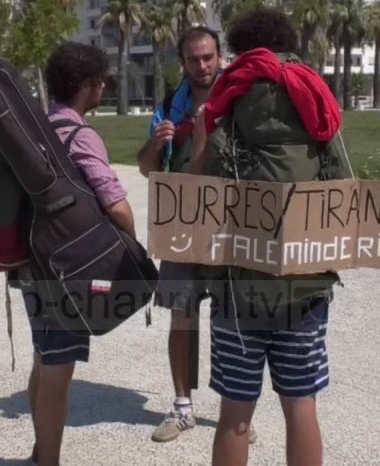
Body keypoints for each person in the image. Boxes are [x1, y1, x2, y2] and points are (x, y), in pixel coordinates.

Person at [186, 7, 343, 466]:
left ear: (240, 49)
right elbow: (344, 191)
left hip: (238, 288)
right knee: (301, 406)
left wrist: (201, 136)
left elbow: (196, 196)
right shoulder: (317, 99)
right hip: (305, 283)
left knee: (235, 412)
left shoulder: (226, 104)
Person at [138, 26, 260, 445]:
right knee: (183, 317)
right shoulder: (170, 108)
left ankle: (237, 413)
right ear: (183, 62)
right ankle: (183, 407)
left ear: (220, 55)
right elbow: (146, 168)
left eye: (209, 57)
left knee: (235, 321)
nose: (203, 65)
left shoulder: (241, 101)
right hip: (183, 226)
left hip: (231, 225)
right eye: (194, 59)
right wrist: (156, 144)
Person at [20, 40, 138, 466]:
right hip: (68, 273)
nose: (104, 87)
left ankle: (39, 452)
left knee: (43, 357)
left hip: (33, 263)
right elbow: (115, 203)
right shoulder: (78, 135)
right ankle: (47, 461)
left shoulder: (35, 127)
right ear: (88, 84)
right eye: (101, 80)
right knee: (57, 372)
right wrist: (131, 246)